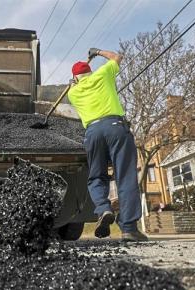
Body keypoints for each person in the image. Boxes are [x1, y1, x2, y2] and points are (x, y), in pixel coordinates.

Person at [67, 48, 148, 242]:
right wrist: (98, 52)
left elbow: (73, 86)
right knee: (125, 177)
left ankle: (103, 208)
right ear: (90, 72)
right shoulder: (103, 74)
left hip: (93, 133)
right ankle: (129, 229)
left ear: (75, 78)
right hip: (115, 127)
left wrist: (73, 84)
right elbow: (117, 57)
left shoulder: (73, 93)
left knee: (96, 176)